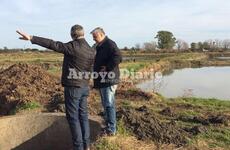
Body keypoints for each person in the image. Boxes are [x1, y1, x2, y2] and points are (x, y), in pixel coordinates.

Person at [16, 24, 95, 150]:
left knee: (73, 118)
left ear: (72, 34)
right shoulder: (91, 50)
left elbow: (52, 44)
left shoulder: (72, 47)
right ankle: (87, 146)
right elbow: (91, 70)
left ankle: (78, 147)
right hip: (85, 87)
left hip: (73, 88)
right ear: (83, 34)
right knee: (83, 116)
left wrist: (32, 38)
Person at [90, 27, 122, 135]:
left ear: (102, 34)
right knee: (105, 104)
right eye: (93, 37)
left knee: (109, 104)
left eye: (95, 37)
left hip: (109, 79)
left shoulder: (109, 44)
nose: (94, 39)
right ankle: (108, 125)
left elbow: (118, 57)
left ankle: (112, 129)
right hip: (103, 80)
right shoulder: (100, 46)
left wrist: (107, 68)